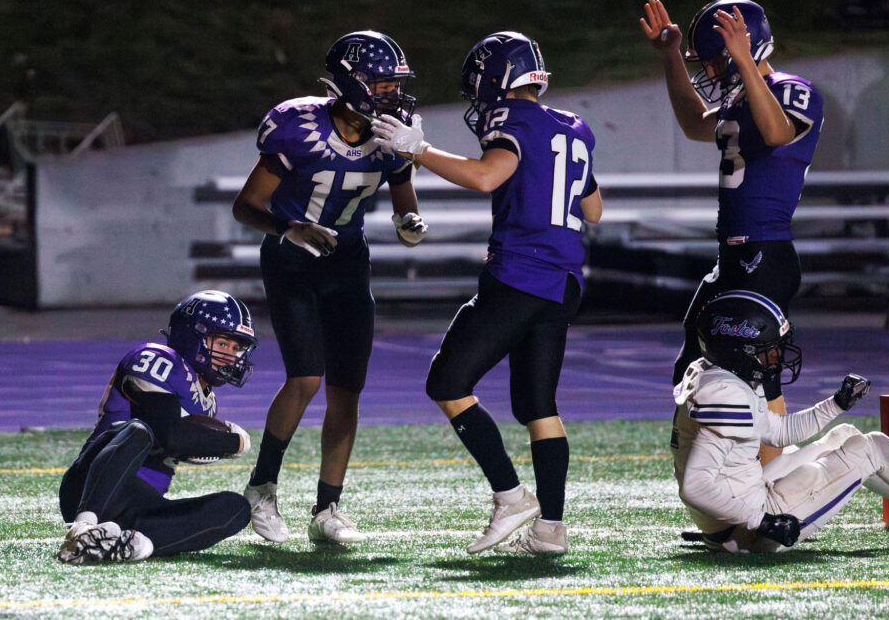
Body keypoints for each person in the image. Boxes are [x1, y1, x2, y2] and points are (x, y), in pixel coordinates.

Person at [371, 31, 603, 555]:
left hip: (520, 275)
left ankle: (510, 495)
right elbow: (593, 210)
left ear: (498, 78)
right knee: (539, 407)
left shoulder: (511, 120)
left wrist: (419, 150)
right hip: (563, 283)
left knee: (447, 382)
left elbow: (484, 178)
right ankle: (551, 531)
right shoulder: (575, 126)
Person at [232, 30, 427, 545]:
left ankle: (328, 508)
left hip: (347, 264)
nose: (392, 95)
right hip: (292, 261)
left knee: (347, 389)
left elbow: (404, 201)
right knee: (306, 379)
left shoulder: (393, 132)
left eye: (395, 85)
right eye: (383, 84)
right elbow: (245, 206)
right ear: (352, 84)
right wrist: (287, 228)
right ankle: (262, 487)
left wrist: (409, 223)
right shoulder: (298, 125)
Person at [640, 0, 824, 464]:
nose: (712, 70)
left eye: (716, 58)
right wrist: (669, 57)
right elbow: (692, 122)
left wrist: (744, 59)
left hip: (766, 254)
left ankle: (777, 488)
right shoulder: (740, 98)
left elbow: (778, 132)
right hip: (733, 258)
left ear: (745, 45)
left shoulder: (791, 90)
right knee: (694, 365)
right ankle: (729, 485)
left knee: (759, 373)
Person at [671, 289, 889, 552]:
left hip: (734, 518)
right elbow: (695, 486)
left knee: (844, 435)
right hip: (749, 529)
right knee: (871, 447)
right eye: (768, 350)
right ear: (740, 351)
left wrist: (835, 404)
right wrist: (762, 522)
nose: (776, 357)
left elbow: (777, 432)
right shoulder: (725, 393)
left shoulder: (716, 374)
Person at [57, 290, 257, 563]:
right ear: (192, 336)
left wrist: (206, 440)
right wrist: (235, 442)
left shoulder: (208, 403)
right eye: (222, 344)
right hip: (92, 487)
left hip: (141, 505)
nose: (231, 357)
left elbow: (184, 443)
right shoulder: (155, 359)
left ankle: (135, 545)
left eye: (236, 349)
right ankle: (84, 529)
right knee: (139, 431)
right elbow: (172, 435)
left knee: (236, 509)